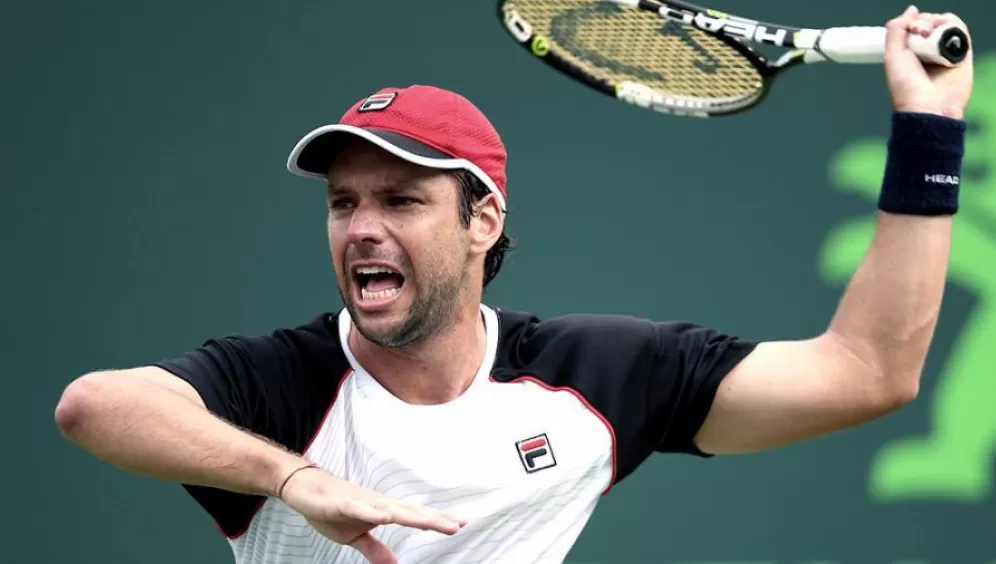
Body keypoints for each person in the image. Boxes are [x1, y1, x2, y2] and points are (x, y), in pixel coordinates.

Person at [54, 6, 974, 564]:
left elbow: (867, 370)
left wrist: (930, 127)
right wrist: (291, 479)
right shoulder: (279, 385)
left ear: (481, 222)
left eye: (403, 200)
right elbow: (94, 406)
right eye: (343, 203)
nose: (362, 227)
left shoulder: (601, 376)